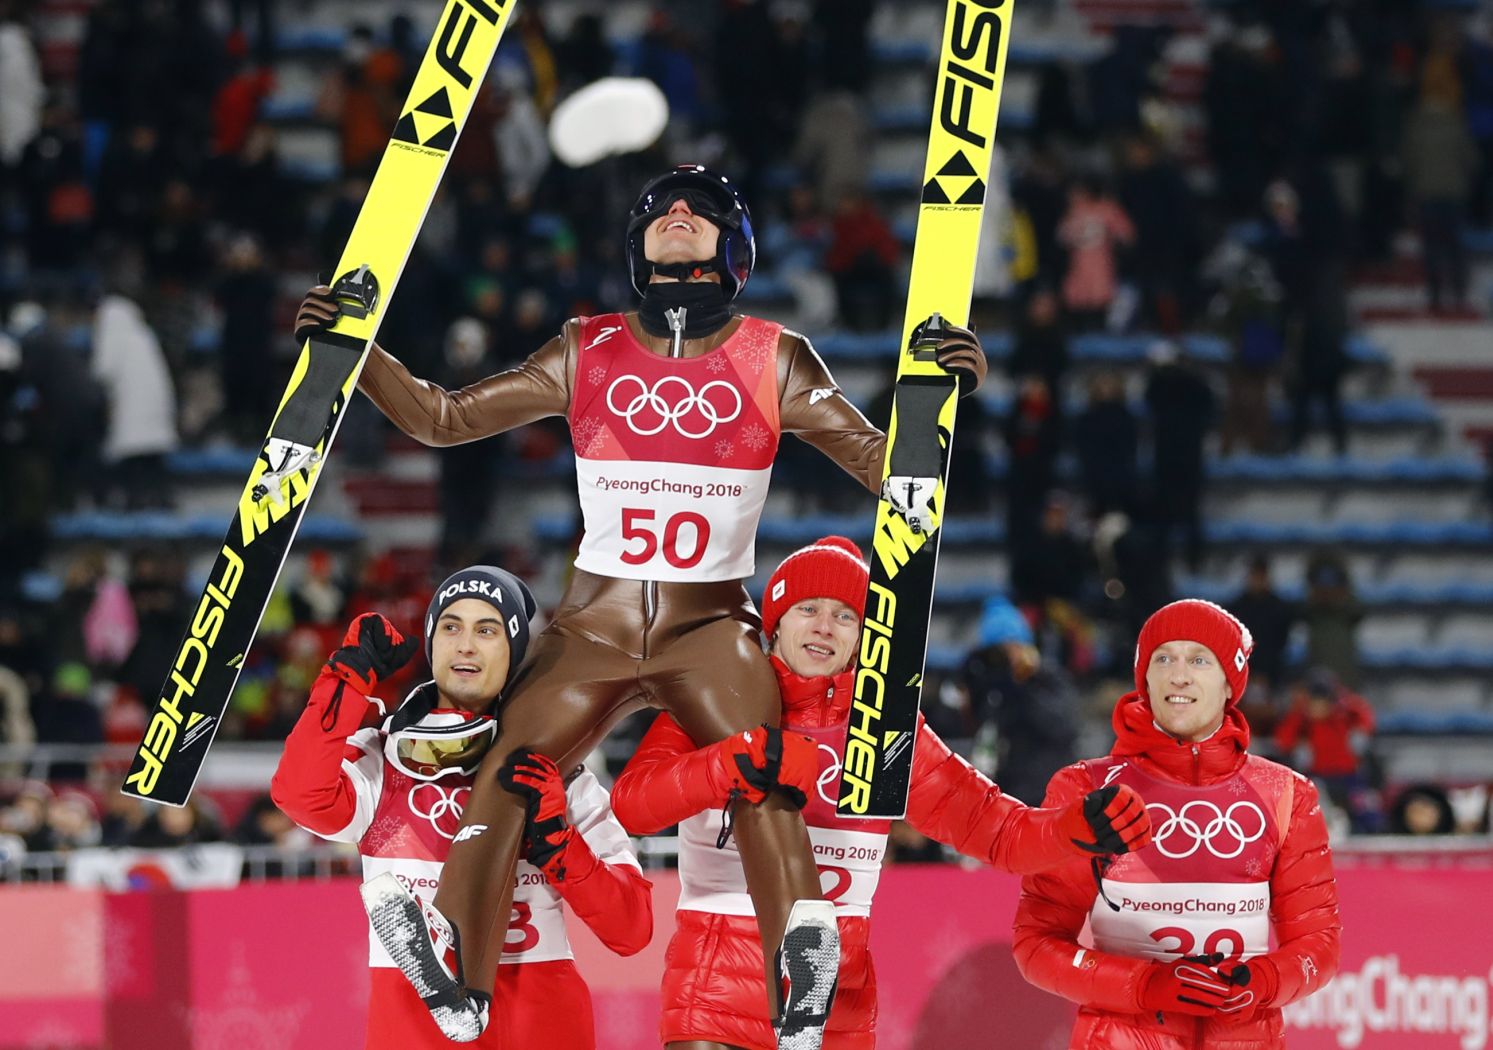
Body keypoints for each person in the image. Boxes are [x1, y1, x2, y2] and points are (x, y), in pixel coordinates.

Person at [295, 163, 988, 1046]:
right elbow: (441, 419)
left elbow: (891, 475)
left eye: (700, 212)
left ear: (731, 248)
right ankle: (455, 981)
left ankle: (801, 950)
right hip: (595, 623)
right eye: (660, 210)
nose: (678, 216)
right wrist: (357, 352)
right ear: (636, 244)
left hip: (709, 625)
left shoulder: (774, 355)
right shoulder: (586, 346)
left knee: (759, 765)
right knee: (506, 771)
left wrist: (938, 404)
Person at [608, 537, 1152, 1050]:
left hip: (833, 999)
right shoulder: (719, 703)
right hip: (716, 988)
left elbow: (995, 830)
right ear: (775, 622)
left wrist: (1071, 830)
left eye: (846, 616)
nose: (826, 627)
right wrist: (733, 760)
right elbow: (633, 802)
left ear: (866, 638)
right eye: (808, 609)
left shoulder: (884, 731)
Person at [271, 566, 652, 1049]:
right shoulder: (384, 755)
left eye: (487, 630)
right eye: (450, 627)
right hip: (414, 1030)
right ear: (432, 644)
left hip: (541, 1024)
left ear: (514, 652)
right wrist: (346, 678)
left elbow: (632, 929)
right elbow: (301, 796)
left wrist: (561, 845)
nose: (465, 645)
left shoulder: (559, 769)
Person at [1013, 599, 1341, 1049]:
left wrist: (1260, 982)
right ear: (1144, 677)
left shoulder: (1286, 794)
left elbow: (1318, 948)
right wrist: (1142, 985)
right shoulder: (1087, 789)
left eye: (1200, 660)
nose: (1178, 675)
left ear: (1231, 683)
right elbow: (1036, 945)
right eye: (1163, 658)